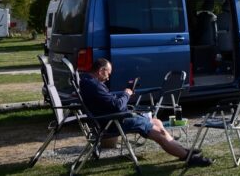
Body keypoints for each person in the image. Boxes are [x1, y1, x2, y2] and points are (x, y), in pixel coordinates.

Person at [79, 58, 212, 167]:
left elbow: (110, 103)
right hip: (116, 121)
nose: (108, 78)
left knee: (156, 121)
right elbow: (117, 106)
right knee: (159, 133)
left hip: (114, 118)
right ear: (101, 71)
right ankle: (188, 158)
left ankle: (182, 150)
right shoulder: (94, 86)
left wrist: (124, 96)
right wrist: (126, 94)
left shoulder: (88, 82)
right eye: (108, 73)